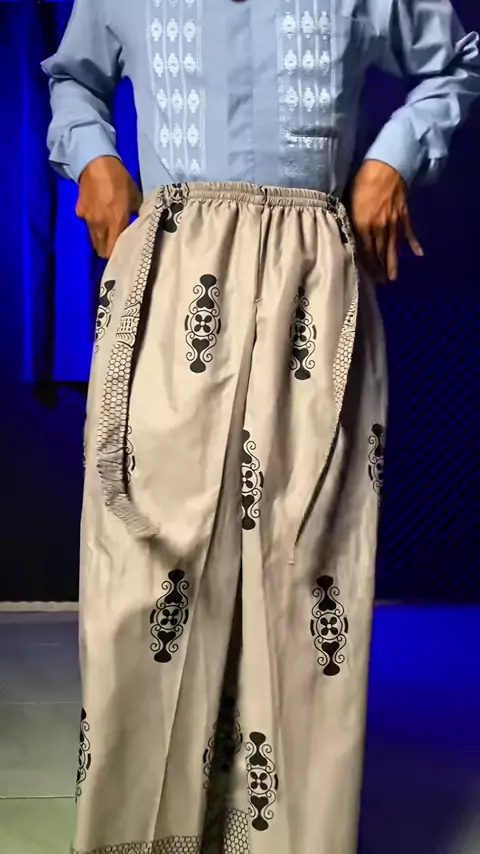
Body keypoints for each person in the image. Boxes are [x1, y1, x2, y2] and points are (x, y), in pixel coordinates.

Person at [43, 2, 479, 853]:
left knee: (303, 571)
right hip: (175, 281)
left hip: (309, 287)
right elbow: (74, 78)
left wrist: (391, 158)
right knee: (146, 576)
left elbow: (457, 60)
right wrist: (95, 155)